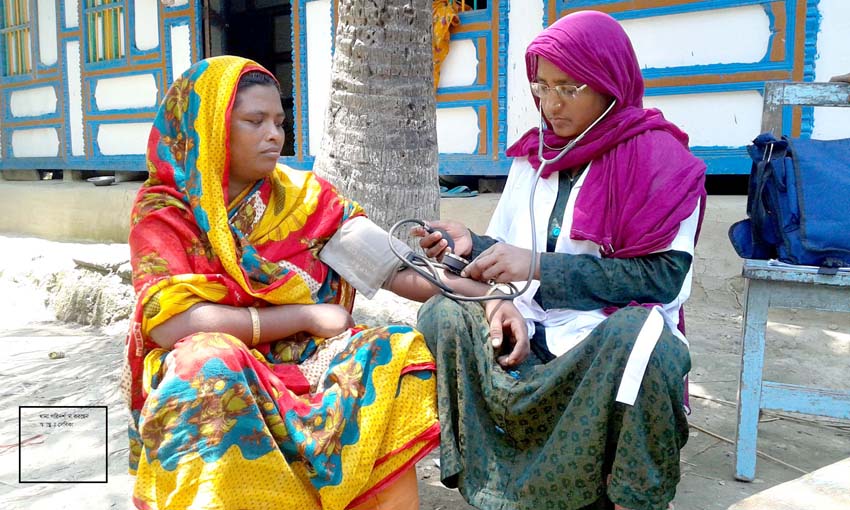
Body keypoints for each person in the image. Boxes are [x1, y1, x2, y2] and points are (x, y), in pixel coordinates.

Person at [123, 55, 518, 510]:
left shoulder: (303, 199)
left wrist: (487, 298)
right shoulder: (164, 213)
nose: (275, 134)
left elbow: (400, 268)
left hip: (304, 352)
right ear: (208, 128)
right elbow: (170, 324)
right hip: (217, 356)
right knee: (211, 363)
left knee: (396, 349)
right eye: (255, 121)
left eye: (279, 120)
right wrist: (306, 314)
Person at [414, 10, 706, 510]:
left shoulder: (663, 162)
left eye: (569, 87)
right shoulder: (536, 158)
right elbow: (514, 250)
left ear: (610, 83)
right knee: (442, 314)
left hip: (603, 336)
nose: (550, 104)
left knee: (646, 343)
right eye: (541, 86)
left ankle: (622, 494)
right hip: (532, 322)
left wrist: (536, 268)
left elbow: (663, 277)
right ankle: (500, 484)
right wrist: (471, 245)